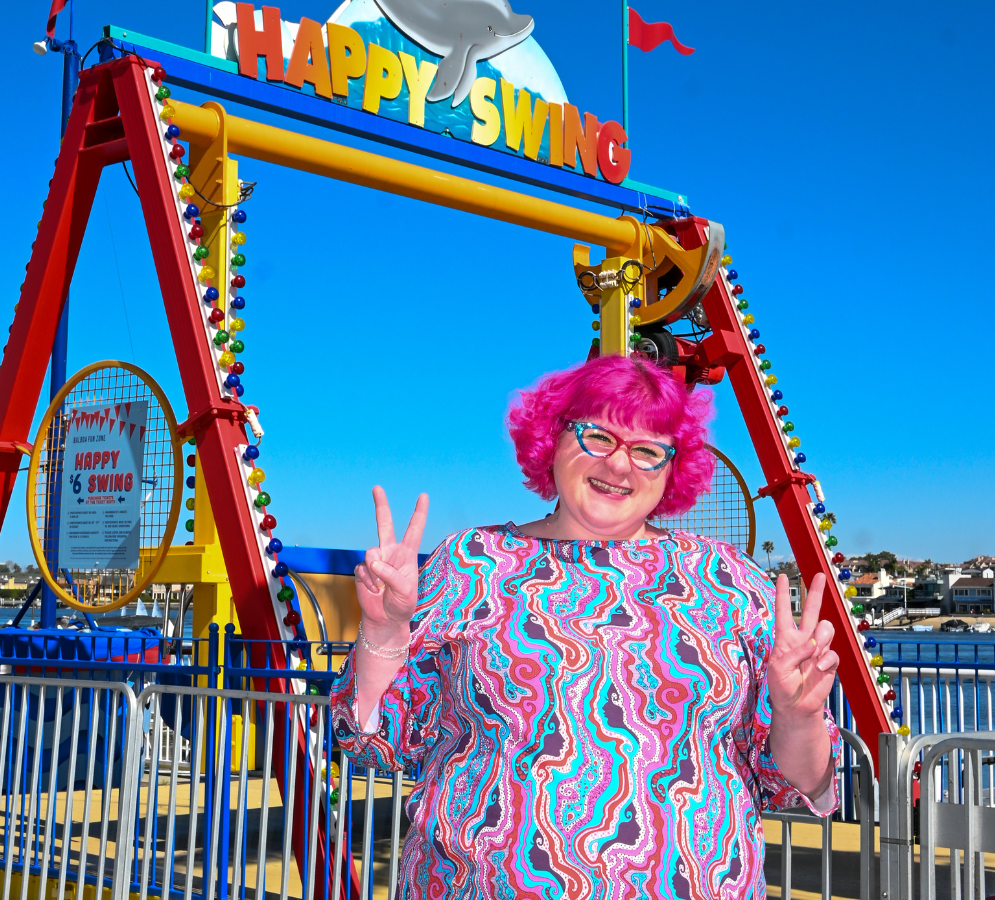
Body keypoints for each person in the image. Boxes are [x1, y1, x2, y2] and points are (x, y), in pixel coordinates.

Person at [331, 354, 841, 900]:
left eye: (647, 451)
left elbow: (801, 785)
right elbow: (371, 742)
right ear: (552, 439)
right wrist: (384, 634)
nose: (621, 465)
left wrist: (799, 715)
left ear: (671, 468)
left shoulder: (732, 583)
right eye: (598, 436)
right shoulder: (470, 562)